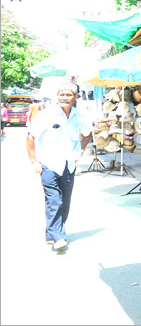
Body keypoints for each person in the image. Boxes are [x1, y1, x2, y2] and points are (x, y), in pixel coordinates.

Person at [26, 82, 92, 251]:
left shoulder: (79, 116)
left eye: (68, 95)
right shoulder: (46, 115)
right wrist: (34, 161)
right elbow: (30, 137)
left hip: (69, 165)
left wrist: (80, 152)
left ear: (75, 97)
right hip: (48, 164)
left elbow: (87, 134)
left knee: (66, 203)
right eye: (62, 94)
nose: (65, 97)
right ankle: (58, 237)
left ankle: (51, 234)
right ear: (57, 96)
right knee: (54, 200)